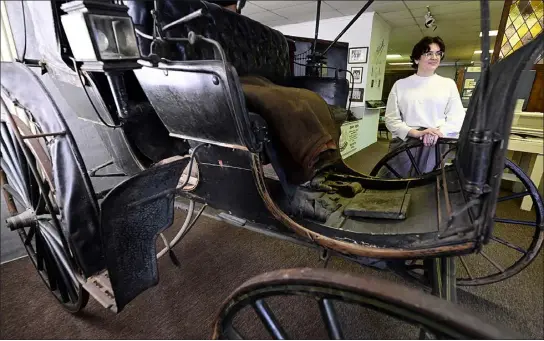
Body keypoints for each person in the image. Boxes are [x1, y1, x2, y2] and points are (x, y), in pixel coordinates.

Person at [383, 36, 465, 176]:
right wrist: (416, 133)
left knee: (426, 186)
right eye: (428, 53)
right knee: (396, 181)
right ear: (416, 59)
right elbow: (391, 119)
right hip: (406, 142)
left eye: (438, 53)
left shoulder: (448, 84)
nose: (434, 57)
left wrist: (437, 132)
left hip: (435, 143)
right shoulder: (401, 85)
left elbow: (457, 117)